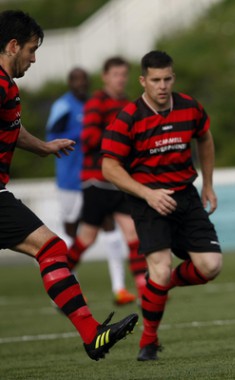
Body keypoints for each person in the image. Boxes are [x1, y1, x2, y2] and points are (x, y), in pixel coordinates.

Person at [0, 9, 137, 361]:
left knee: (52, 250)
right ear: (13, 46)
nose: (33, 59)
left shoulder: (7, 87)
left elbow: (12, 129)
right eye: (31, 50)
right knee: (53, 249)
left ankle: (93, 334)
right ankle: (91, 334)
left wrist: (44, 147)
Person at [101, 50, 223, 361]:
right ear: (143, 81)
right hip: (148, 201)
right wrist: (147, 193)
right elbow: (109, 167)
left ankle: (160, 287)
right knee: (160, 268)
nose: (162, 85)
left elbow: (205, 138)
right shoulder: (128, 117)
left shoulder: (189, 107)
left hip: (185, 196)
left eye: (167, 78)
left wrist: (207, 184)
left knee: (211, 267)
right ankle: (149, 341)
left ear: (173, 78)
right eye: (155, 80)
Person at [46, 67, 135, 305]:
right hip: (70, 180)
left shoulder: (95, 104)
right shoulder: (62, 106)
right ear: (69, 82)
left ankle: (120, 288)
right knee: (73, 232)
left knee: (112, 230)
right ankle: (66, 287)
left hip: (99, 179)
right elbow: (49, 139)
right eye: (76, 80)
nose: (81, 84)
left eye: (84, 80)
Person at [66, 57, 147, 304]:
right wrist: (118, 137)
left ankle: (144, 289)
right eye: (116, 74)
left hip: (118, 180)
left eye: (124, 74)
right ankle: (60, 276)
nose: (120, 79)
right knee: (87, 238)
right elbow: (89, 139)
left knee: (132, 232)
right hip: (96, 180)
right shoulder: (96, 102)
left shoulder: (126, 104)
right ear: (105, 77)